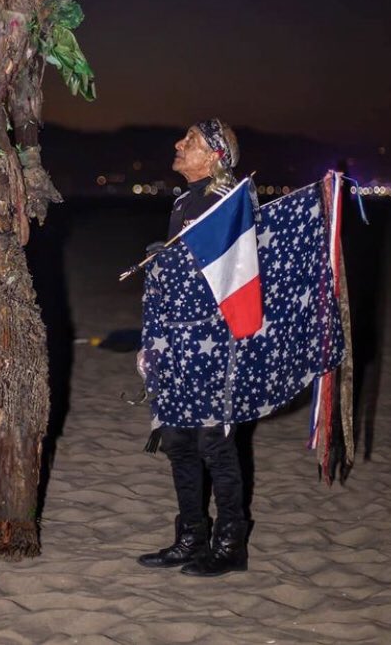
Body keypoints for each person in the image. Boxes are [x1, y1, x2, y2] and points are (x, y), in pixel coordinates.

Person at [137, 119, 250, 577]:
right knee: (179, 441)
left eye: (192, 141)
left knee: (214, 445)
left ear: (215, 156)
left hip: (213, 342)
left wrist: (162, 258)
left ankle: (231, 544)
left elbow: (228, 275)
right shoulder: (186, 200)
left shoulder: (227, 202)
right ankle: (190, 537)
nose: (179, 145)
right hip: (177, 339)